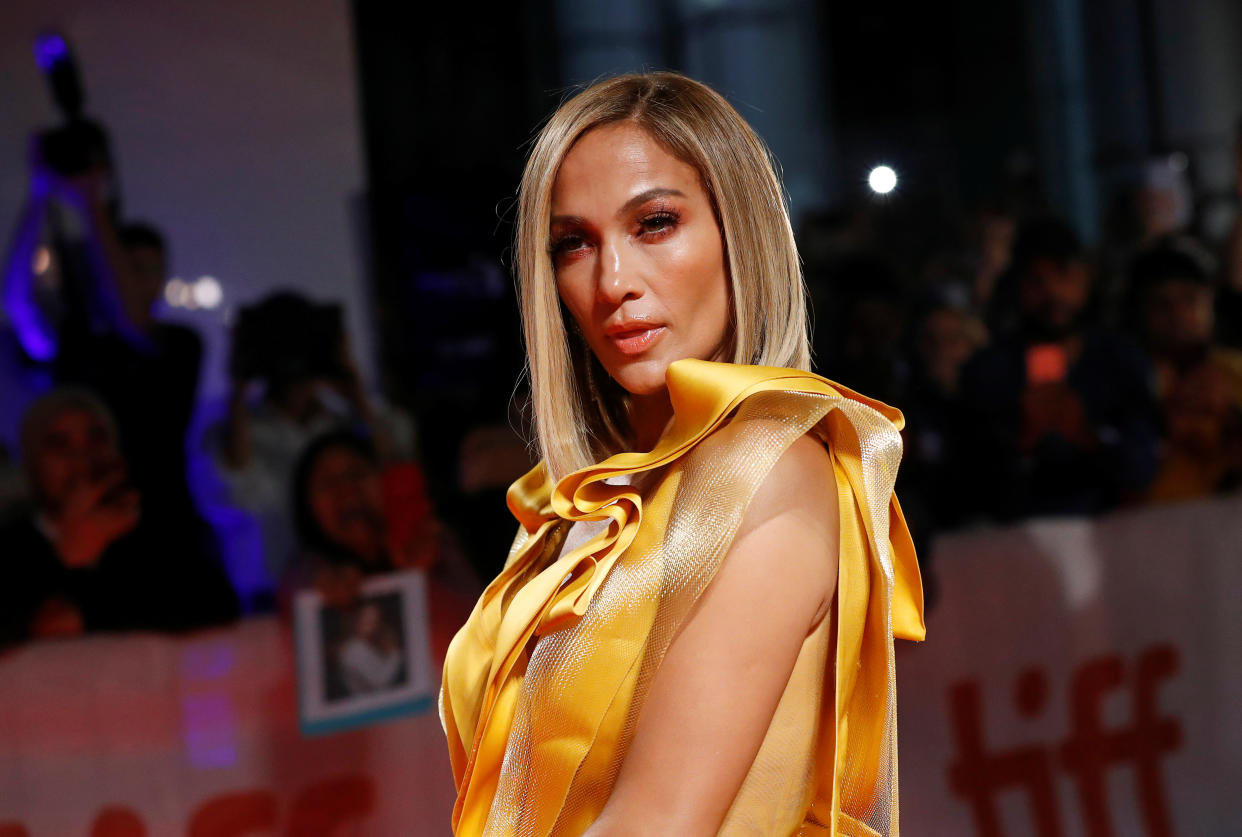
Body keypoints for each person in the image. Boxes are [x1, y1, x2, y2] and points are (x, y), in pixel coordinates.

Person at [439, 72, 925, 837]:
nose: (613, 282)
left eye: (655, 223)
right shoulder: (585, 503)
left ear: (741, 231)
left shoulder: (771, 473)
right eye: (573, 243)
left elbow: (655, 824)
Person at [0, 389, 237, 646]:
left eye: (96, 438)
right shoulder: (12, 545)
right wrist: (69, 555)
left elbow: (217, 606)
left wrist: (92, 613)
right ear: (34, 465)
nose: (82, 457)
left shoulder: (157, 531)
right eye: (60, 444)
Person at [959, 217, 1159, 520]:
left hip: (1114, 540)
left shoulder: (1121, 359)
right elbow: (965, 484)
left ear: (1086, 279)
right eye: (1036, 281)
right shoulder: (987, 370)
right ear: (1018, 287)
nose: (1053, 293)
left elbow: (1145, 467)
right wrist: (1021, 439)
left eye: (1064, 276)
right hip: (1017, 546)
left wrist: (1087, 435)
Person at [207, 292, 414, 582]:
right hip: (275, 593)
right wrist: (239, 383)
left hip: (365, 580)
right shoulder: (234, 434)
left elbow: (398, 468)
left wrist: (353, 388)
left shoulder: (349, 425)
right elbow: (237, 479)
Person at [287, 429, 478, 660]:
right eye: (328, 483)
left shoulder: (433, 543)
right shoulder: (306, 573)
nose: (347, 490)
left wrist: (427, 575)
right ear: (307, 508)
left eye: (357, 474)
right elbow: (292, 587)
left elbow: (477, 624)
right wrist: (319, 586)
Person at [1129, 236, 1242, 501]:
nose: (1178, 315)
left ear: (1210, 304)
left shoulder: (1236, 369)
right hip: (1150, 529)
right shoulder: (1128, 377)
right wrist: (1161, 422)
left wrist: (1229, 417)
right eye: (1162, 304)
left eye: (1191, 300)